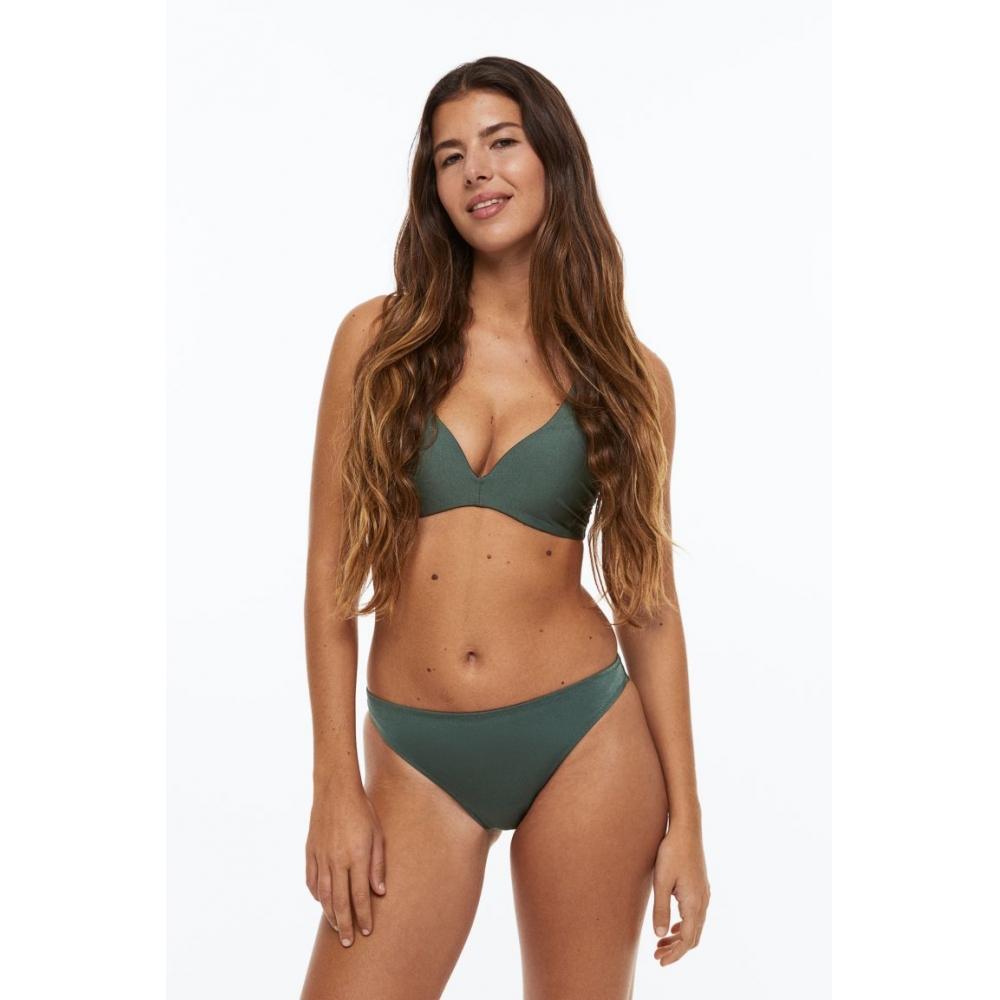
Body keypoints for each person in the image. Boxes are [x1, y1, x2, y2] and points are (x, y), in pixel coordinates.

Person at [299, 56, 710, 1000]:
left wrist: (688, 818)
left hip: (587, 742)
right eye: (450, 157)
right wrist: (333, 784)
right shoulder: (377, 341)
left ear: (552, 158)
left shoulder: (631, 378)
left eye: (501, 143)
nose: (476, 171)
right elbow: (328, 578)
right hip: (415, 756)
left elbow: (647, 603)